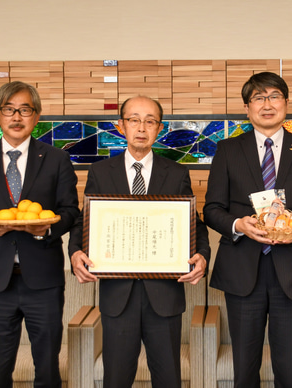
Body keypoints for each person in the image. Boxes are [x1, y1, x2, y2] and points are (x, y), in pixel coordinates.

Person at [68, 95, 210, 388]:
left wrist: (203, 257)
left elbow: (194, 225)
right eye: (134, 120)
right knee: (116, 379)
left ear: (159, 128)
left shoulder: (177, 173)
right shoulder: (100, 172)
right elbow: (84, 222)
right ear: (121, 126)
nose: (141, 128)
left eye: (150, 121)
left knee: (168, 378)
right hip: (118, 296)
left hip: (165, 296)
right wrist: (74, 253)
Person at [203, 71, 292, 387]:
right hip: (242, 270)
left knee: (289, 367)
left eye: (274, 96)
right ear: (247, 109)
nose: (267, 104)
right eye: (258, 98)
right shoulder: (228, 150)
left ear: (286, 103)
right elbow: (211, 209)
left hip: (291, 271)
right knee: (244, 367)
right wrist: (239, 225)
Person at [0, 81, 80, 387]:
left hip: (43, 281)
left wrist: (46, 228)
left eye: (25, 109)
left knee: (48, 368)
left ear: (36, 117)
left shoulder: (55, 159)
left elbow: (71, 211)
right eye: (9, 109)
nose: (16, 117)